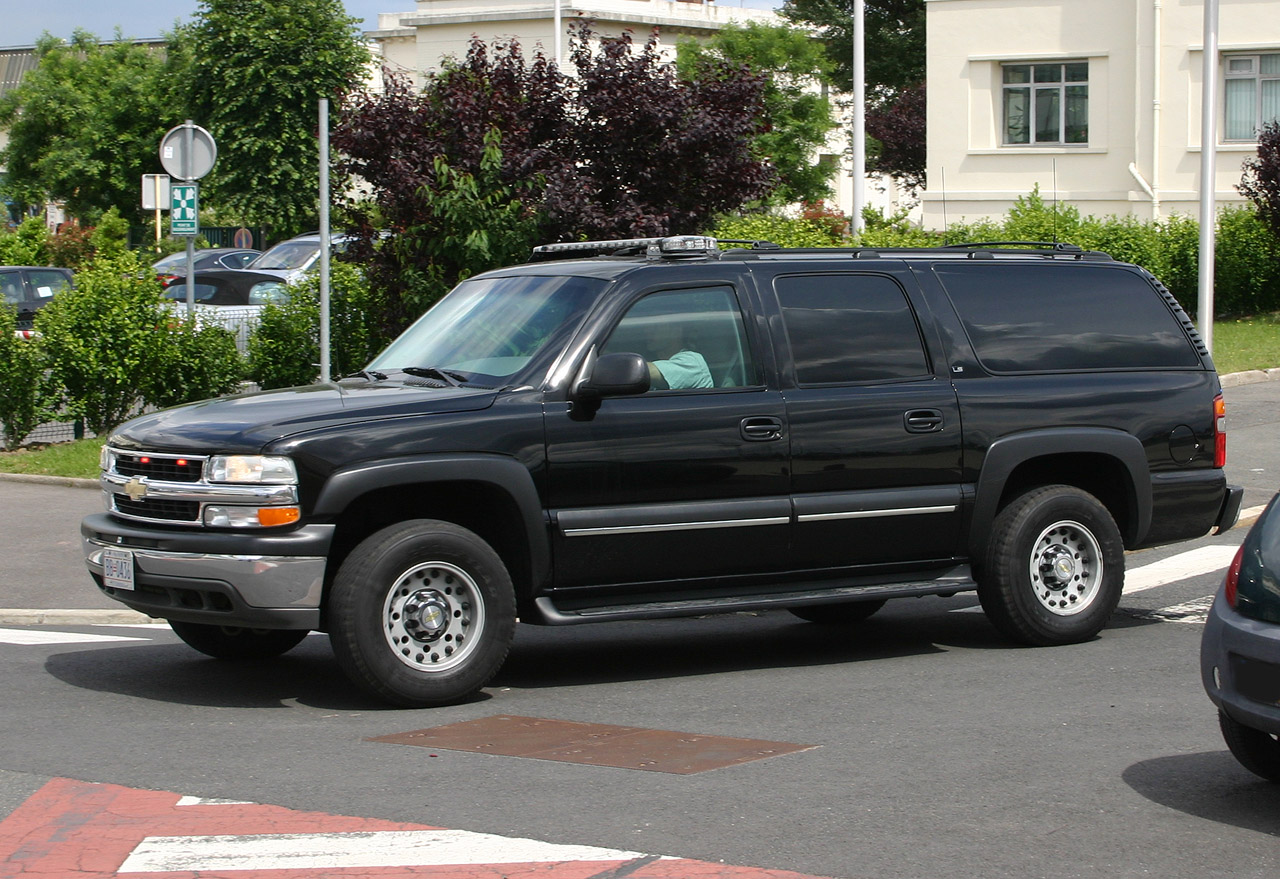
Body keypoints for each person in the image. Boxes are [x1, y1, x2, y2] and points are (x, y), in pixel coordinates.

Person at [646, 321, 713, 390]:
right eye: (647, 327)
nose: (648, 332)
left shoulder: (692, 361)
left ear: (676, 331)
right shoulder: (661, 361)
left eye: (655, 327)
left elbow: (641, 371)